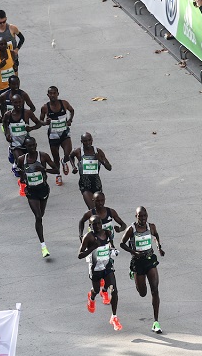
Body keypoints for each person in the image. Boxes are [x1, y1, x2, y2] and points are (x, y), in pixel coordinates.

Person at [120, 206, 165, 334]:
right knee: (143, 293)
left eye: (145, 216)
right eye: (140, 216)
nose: (143, 218)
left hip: (150, 259)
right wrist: (133, 252)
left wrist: (159, 247)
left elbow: (156, 235)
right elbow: (122, 243)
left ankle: (156, 322)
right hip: (137, 262)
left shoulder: (151, 227)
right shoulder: (131, 229)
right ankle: (134, 274)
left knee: (155, 290)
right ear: (136, 217)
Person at [15, 137, 58, 258]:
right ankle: (43, 246)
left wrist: (44, 169)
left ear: (36, 145)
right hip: (31, 192)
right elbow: (18, 171)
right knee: (38, 217)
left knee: (41, 214)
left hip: (43, 190)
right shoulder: (21, 159)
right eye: (29, 146)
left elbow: (56, 169)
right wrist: (22, 178)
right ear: (26, 147)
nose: (32, 148)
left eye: (34, 145)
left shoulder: (43, 156)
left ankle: (42, 240)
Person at [78, 215, 122, 331]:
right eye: (94, 224)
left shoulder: (107, 233)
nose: (97, 226)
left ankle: (114, 317)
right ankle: (91, 296)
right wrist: (92, 248)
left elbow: (111, 245)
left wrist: (113, 250)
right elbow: (80, 255)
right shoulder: (88, 237)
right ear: (90, 226)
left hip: (107, 266)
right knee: (96, 289)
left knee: (114, 289)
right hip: (95, 268)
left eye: (98, 223)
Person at [2, 94, 43, 193]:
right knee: (22, 164)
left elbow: (39, 123)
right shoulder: (8, 115)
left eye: (20, 102)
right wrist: (7, 135)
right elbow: (5, 125)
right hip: (15, 144)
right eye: (15, 102)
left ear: (23, 102)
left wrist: (31, 128)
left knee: (28, 163)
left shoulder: (27, 113)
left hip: (26, 143)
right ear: (12, 103)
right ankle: (23, 183)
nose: (18, 104)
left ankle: (20, 173)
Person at [39, 86, 75, 186]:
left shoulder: (64, 103)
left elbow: (72, 110)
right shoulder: (45, 107)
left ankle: (64, 161)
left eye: (54, 93)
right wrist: (45, 122)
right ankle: (58, 175)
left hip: (64, 133)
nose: (53, 95)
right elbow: (40, 121)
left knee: (68, 153)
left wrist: (70, 120)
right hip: (53, 136)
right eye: (50, 93)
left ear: (58, 94)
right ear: (48, 95)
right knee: (55, 157)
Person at [70, 133, 112, 209]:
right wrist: (73, 167)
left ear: (92, 140)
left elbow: (109, 168)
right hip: (85, 185)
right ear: (81, 141)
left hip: (96, 184)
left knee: (99, 208)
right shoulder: (78, 151)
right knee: (92, 209)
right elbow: (71, 156)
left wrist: (101, 160)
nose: (88, 143)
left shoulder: (98, 151)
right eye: (85, 141)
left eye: (89, 140)